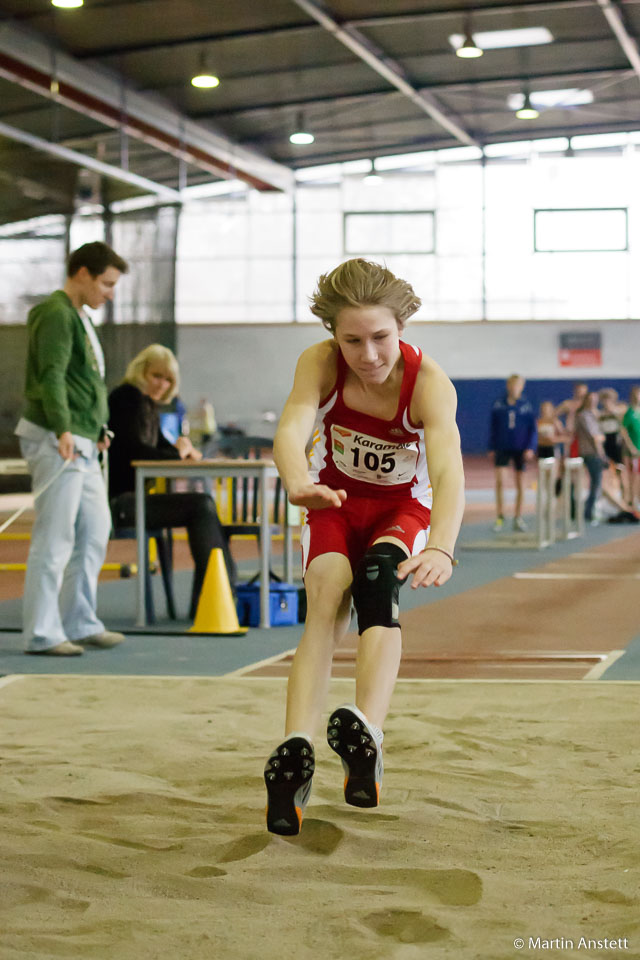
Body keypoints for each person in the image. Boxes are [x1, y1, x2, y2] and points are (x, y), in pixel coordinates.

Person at [263, 258, 465, 836]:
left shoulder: (428, 384)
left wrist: (443, 548)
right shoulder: (319, 364)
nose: (369, 354)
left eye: (380, 338)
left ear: (401, 327)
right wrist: (297, 480)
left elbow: (449, 474)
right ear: (332, 335)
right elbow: (292, 426)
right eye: (352, 340)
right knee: (325, 596)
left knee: (378, 581)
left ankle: (366, 736)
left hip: (403, 509)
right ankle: (295, 750)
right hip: (335, 500)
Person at [15, 241, 128, 656]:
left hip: (83, 438)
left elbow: (85, 383)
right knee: (54, 537)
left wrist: (94, 428)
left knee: (95, 531)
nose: (110, 293)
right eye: (106, 283)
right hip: (55, 437)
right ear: (82, 273)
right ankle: (42, 632)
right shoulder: (55, 314)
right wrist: (63, 428)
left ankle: (80, 621)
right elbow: (52, 376)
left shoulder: (80, 318)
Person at [107, 344, 236, 619]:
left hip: (138, 500)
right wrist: (178, 452)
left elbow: (161, 449)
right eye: (156, 376)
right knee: (201, 505)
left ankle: (217, 592)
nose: (162, 384)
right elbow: (134, 450)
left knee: (204, 504)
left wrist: (183, 450)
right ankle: (219, 592)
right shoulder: (125, 399)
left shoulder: (147, 405)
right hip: (121, 502)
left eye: (168, 380)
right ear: (140, 372)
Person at [488, 375, 537, 533]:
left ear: (522, 387)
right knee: (500, 481)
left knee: (520, 483)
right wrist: (491, 446)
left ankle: (518, 517)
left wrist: (530, 447)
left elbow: (532, 429)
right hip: (502, 447)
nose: (515, 388)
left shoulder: (526, 406)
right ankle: (500, 516)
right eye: (512, 385)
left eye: (518, 385)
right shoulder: (499, 405)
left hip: (520, 449)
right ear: (508, 386)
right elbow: (493, 427)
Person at [575, 391, 607, 524]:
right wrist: (601, 453)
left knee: (596, 483)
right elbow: (595, 437)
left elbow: (600, 436)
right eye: (590, 399)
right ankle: (589, 511)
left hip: (595, 453)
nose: (593, 402)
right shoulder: (584, 416)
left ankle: (590, 510)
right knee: (596, 483)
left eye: (595, 400)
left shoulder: (595, 415)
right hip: (591, 453)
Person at [555, 382, 589, 458]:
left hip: (585, 437)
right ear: (575, 391)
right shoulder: (568, 404)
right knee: (570, 459)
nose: (581, 393)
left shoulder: (589, 405)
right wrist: (560, 428)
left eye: (583, 391)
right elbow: (553, 416)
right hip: (571, 435)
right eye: (579, 390)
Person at [621, 385, 640, 511]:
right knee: (633, 476)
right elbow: (623, 430)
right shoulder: (630, 413)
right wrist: (631, 447)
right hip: (634, 451)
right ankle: (633, 500)